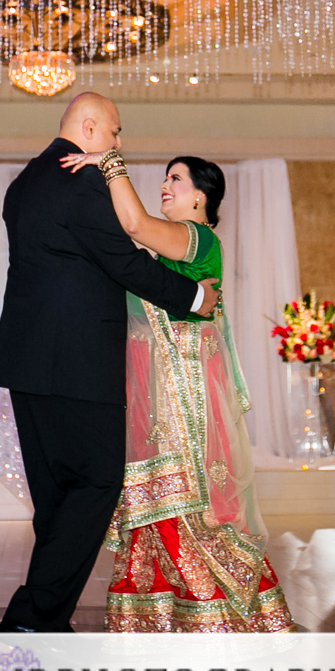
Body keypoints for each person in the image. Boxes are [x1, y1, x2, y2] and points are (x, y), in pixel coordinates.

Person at [0, 92, 219, 634]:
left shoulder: (23, 183)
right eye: (114, 132)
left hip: (26, 360)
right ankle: (31, 616)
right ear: (89, 128)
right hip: (77, 360)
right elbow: (123, 261)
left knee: (55, 495)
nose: (118, 143)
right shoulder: (80, 181)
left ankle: (49, 618)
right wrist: (191, 299)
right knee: (94, 482)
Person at [59, 148, 293, 633]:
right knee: (153, 507)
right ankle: (158, 616)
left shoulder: (199, 240)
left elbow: (136, 225)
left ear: (201, 198)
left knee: (193, 508)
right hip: (153, 403)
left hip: (187, 403)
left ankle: (218, 615)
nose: (165, 185)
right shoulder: (161, 256)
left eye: (176, 180)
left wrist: (110, 163)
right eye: (165, 178)